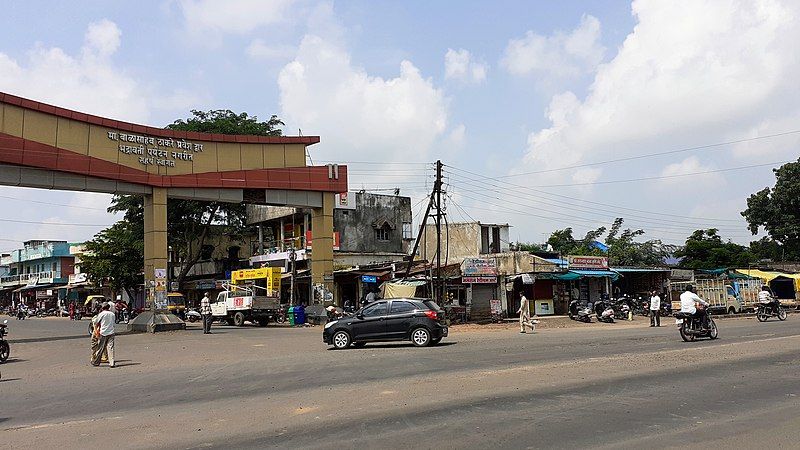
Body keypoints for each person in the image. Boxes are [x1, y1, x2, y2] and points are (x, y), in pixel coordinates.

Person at [91, 303, 116, 367]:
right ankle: (112, 363)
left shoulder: (101, 314)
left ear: (102, 308)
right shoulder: (112, 314)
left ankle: (96, 362)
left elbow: (96, 322)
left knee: (100, 348)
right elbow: (113, 323)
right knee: (110, 348)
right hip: (111, 332)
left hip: (103, 333)